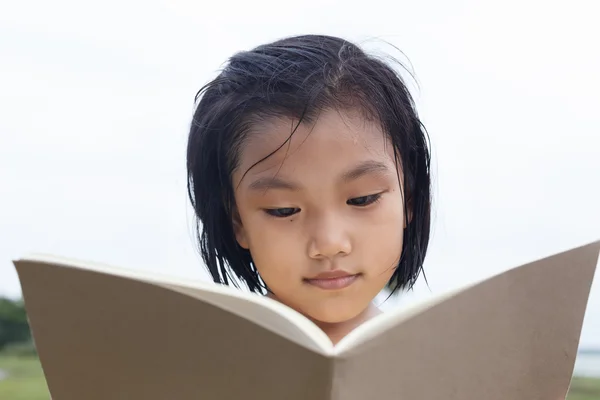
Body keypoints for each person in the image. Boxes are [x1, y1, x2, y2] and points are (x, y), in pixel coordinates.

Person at [186, 34, 431, 345]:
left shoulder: (457, 366)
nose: (329, 244)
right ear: (237, 220)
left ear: (408, 200)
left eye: (362, 199)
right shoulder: (194, 365)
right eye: (284, 210)